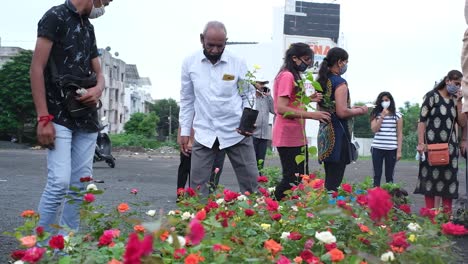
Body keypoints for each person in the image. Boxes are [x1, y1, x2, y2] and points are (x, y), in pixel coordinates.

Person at [30, 0, 113, 234]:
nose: (106, 6)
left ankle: (66, 249)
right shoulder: (55, 16)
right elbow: (37, 68)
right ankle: (40, 250)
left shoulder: (88, 26)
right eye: (106, 1)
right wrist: (42, 118)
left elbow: (99, 73)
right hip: (57, 115)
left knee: (80, 186)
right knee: (58, 183)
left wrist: (98, 89)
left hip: (86, 117)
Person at [179, 21, 259, 197]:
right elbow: (187, 99)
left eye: (219, 46)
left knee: (252, 185)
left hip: (236, 133)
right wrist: (185, 131)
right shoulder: (190, 63)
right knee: (197, 190)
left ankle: (259, 221)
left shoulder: (237, 62)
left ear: (226, 42)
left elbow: (249, 95)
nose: (215, 50)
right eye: (210, 45)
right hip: (204, 133)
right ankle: (197, 222)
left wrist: (247, 123)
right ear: (202, 39)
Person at [272, 43, 331, 200]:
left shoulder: (293, 75)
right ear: (294, 58)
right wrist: (313, 115)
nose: (308, 64)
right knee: (292, 179)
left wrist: (309, 99)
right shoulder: (287, 76)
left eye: (310, 60)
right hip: (287, 136)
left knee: (300, 178)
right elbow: (282, 108)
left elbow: (293, 102)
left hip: (297, 135)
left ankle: (283, 209)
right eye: (305, 59)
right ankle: (270, 206)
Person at [317, 47, 368, 192]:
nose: (346, 65)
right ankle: (329, 211)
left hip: (325, 135)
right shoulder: (340, 83)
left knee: (329, 179)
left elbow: (323, 108)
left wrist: (350, 107)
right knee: (334, 183)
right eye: (345, 61)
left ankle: (325, 208)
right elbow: (342, 112)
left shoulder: (323, 81)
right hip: (338, 136)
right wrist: (361, 110)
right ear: (339, 62)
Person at [415, 70, 465, 214]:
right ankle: (430, 217)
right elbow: (422, 120)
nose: (457, 87)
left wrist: (460, 102)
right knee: (429, 181)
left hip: (450, 149)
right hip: (430, 147)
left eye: (459, 85)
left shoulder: (455, 100)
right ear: (447, 80)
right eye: (456, 83)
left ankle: (445, 219)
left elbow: (462, 123)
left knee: (448, 183)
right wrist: (420, 143)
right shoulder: (432, 96)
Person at [176, 127, 225, 195]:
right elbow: (184, 121)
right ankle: (182, 195)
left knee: (215, 169)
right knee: (187, 168)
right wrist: (189, 140)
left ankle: (210, 195)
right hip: (195, 141)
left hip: (216, 139)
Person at [369, 92, 403, 187]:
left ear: (390, 101)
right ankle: (376, 196)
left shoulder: (397, 115)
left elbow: (400, 134)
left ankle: (389, 198)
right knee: (377, 175)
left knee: (389, 176)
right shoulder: (375, 114)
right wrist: (382, 116)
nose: (384, 102)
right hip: (377, 148)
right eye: (382, 101)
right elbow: (374, 130)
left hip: (391, 149)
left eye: (386, 100)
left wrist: (399, 151)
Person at [252, 76, 275, 174]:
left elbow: (274, 110)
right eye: (260, 83)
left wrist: (269, 96)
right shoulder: (250, 98)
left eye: (264, 84)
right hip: (253, 134)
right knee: (251, 160)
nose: (262, 86)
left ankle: (259, 178)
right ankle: (251, 178)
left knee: (261, 160)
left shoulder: (266, 98)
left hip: (264, 134)